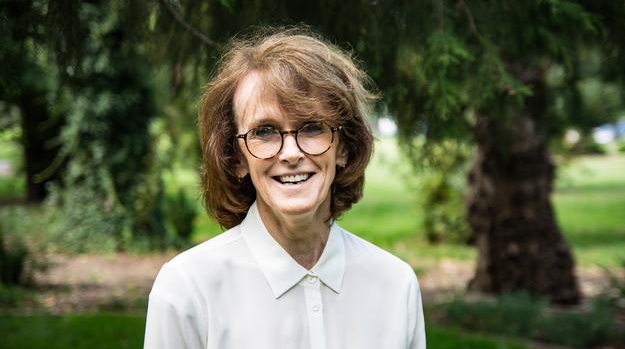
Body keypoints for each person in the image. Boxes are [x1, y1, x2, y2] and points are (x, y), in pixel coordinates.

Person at [144, 28, 425, 349]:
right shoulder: (187, 290)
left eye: (312, 127)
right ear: (236, 158)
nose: (290, 153)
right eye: (264, 131)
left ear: (344, 148)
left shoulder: (395, 285)